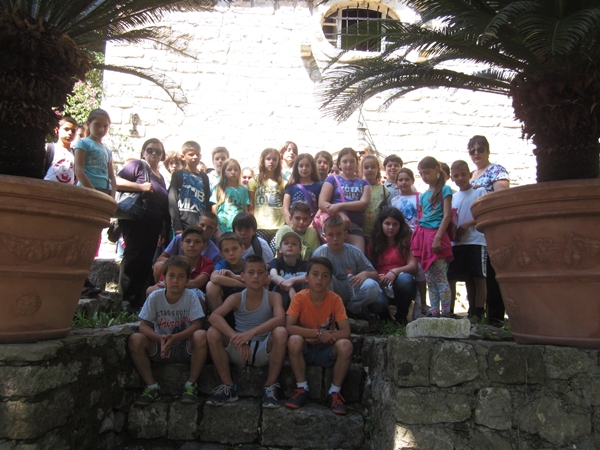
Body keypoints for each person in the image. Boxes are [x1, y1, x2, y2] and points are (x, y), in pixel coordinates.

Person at [206, 255, 287, 408]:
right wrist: (236, 337)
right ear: (242, 276)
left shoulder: (273, 297)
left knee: (281, 332)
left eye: (260, 272)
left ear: (266, 277)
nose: (256, 276)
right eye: (251, 272)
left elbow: (280, 319)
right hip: (239, 348)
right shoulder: (236, 298)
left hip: (263, 348)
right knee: (212, 332)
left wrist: (251, 333)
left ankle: (270, 386)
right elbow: (214, 317)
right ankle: (228, 386)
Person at [128, 256, 208, 405]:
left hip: (184, 345)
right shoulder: (155, 297)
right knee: (135, 339)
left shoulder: (191, 296)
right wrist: (160, 338)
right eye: (171, 275)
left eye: (181, 276)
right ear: (164, 278)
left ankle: (190, 385)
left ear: (187, 280)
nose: (175, 280)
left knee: (201, 335)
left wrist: (175, 338)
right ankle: (151, 387)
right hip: (160, 345)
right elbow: (143, 326)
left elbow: (197, 325)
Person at [284, 257, 352, 415]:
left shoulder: (335, 300)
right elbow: (289, 327)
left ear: (330, 280)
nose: (319, 279)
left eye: (324, 275)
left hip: (326, 349)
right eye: (315, 274)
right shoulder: (299, 298)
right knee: (294, 340)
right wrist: (319, 334)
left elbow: (345, 332)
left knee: (346, 345)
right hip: (305, 350)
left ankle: (334, 392)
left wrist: (326, 336)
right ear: (307, 277)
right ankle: (302, 388)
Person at [115, 139, 170, 309]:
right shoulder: (137, 165)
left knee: (146, 260)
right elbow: (115, 181)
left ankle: (138, 300)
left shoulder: (161, 177)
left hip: (154, 224)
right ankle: (125, 299)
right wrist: (140, 187)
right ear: (143, 152)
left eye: (158, 151)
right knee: (133, 256)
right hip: (136, 221)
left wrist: (162, 228)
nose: (154, 154)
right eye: (150, 150)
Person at [468, 135, 510, 325]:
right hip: (472, 233)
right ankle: (476, 314)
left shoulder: (496, 170)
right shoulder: (470, 175)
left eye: (480, 149)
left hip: (490, 229)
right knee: (475, 275)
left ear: (488, 150)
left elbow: (502, 195)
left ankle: (495, 317)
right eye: (472, 150)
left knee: (492, 274)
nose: (476, 153)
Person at [410, 157, 454, 317]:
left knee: (441, 278)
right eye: (421, 174)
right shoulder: (423, 196)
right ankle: (434, 313)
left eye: (427, 172)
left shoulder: (445, 190)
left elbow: (447, 215)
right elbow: (422, 216)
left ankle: (446, 313)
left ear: (437, 170)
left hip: (437, 236)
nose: (424, 177)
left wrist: (438, 237)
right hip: (424, 238)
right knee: (429, 279)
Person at [312, 216, 380, 318]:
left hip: (352, 288)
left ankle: (351, 310)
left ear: (345, 235)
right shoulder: (319, 254)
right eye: (331, 235)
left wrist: (365, 274)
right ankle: (331, 312)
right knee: (325, 277)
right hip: (332, 289)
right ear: (324, 236)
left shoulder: (354, 252)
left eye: (339, 234)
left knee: (373, 286)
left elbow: (375, 274)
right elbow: (311, 278)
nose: (335, 239)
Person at [448, 160, 488, 319]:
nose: (460, 178)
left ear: (470, 175)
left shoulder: (480, 192)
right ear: (452, 177)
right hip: (457, 243)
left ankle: (478, 312)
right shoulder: (453, 197)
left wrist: (468, 224)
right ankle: (449, 311)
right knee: (455, 277)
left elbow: (485, 214)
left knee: (478, 277)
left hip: (476, 241)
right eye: (456, 175)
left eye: (463, 174)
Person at [368, 208, 418, 323]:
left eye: (395, 224)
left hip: (400, 283)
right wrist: (377, 276)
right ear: (381, 224)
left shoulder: (407, 241)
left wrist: (395, 272)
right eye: (387, 223)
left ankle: (401, 317)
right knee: (376, 302)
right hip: (380, 283)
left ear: (401, 225)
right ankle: (385, 318)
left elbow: (413, 266)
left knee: (406, 279)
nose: (391, 227)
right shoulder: (373, 243)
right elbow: (368, 268)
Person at [146, 228, 214, 311]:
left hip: (191, 293)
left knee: (197, 296)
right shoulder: (173, 261)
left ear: (204, 246)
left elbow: (196, 283)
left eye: (197, 242)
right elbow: (163, 283)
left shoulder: (208, 263)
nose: (192, 245)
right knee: (150, 290)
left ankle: (198, 320)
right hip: (172, 289)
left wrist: (172, 284)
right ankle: (155, 317)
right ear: (181, 245)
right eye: (188, 241)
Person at [391, 167, 428, 313]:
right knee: (405, 270)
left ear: (412, 180)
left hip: (418, 239)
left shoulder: (421, 197)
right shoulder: (394, 201)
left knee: (420, 271)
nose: (404, 182)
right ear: (396, 182)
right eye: (400, 180)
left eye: (407, 179)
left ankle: (423, 303)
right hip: (401, 239)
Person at [319, 148, 371, 253]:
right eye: (345, 161)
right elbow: (322, 203)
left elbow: (363, 203)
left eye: (352, 161)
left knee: (358, 256)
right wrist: (341, 214)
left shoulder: (364, 183)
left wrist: (340, 206)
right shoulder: (331, 179)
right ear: (339, 163)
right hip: (333, 225)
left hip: (354, 226)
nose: (348, 164)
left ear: (356, 163)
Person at [152, 211, 221, 282]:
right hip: (175, 274)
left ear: (215, 231)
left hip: (198, 279)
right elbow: (160, 258)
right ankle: (160, 287)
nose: (204, 229)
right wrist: (178, 263)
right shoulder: (180, 238)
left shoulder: (215, 253)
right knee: (158, 266)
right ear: (197, 225)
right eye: (202, 225)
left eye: (210, 227)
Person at [168, 141, 212, 235]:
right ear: (183, 156)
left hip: (200, 226)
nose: (195, 157)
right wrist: (177, 226)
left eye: (197, 154)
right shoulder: (178, 175)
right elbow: (172, 200)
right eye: (191, 154)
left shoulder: (204, 177)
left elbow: (207, 201)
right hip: (182, 224)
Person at [248, 148, 286, 252]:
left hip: (278, 225)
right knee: (261, 253)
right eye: (268, 159)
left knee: (274, 253)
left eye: (274, 159)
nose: (271, 162)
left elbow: (284, 204)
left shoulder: (282, 182)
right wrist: (252, 225)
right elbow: (251, 206)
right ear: (263, 160)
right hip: (260, 226)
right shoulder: (253, 181)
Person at [74, 108, 116, 198]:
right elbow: (79, 171)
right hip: (86, 190)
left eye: (105, 126)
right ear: (88, 124)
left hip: (104, 191)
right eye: (97, 125)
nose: (101, 129)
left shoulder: (107, 151)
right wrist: (93, 193)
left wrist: (112, 197)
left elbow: (112, 177)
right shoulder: (83, 143)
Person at [205, 233, 247, 315]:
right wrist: (245, 284)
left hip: (248, 306)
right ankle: (218, 319)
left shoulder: (249, 263)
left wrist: (235, 276)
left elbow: (265, 280)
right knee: (211, 286)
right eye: (226, 250)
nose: (231, 253)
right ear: (221, 253)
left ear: (242, 248)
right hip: (226, 309)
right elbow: (215, 278)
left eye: (235, 248)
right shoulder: (222, 264)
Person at [269, 231, 308, 310]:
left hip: (300, 299)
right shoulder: (276, 262)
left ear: (300, 250)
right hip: (280, 300)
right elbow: (273, 276)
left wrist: (292, 280)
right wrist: (290, 288)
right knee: (285, 279)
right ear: (280, 249)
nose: (290, 245)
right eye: (286, 243)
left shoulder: (304, 264)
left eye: (294, 244)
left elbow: (312, 276)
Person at [210, 158, 250, 236]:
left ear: (239, 172)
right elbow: (214, 210)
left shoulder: (243, 190)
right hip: (222, 228)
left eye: (236, 170)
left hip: (238, 228)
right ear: (224, 172)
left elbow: (245, 210)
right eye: (229, 170)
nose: (233, 172)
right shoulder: (218, 188)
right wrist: (217, 230)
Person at [283, 153, 322, 224]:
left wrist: (313, 225)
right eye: (301, 166)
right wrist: (291, 225)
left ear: (312, 168)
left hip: (312, 225)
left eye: (307, 166)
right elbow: (285, 209)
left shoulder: (319, 186)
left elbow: (321, 208)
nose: (304, 168)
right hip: (294, 225)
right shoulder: (290, 187)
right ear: (296, 168)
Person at [361, 155, 389, 241]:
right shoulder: (358, 187)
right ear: (362, 169)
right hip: (360, 232)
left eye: (373, 167)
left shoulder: (384, 189)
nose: (370, 170)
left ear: (378, 169)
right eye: (366, 167)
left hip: (377, 233)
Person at [44, 116, 78, 184]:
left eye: (73, 131)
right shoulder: (49, 148)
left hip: (67, 189)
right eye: (66, 129)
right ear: (57, 130)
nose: (70, 133)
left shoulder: (76, 154)